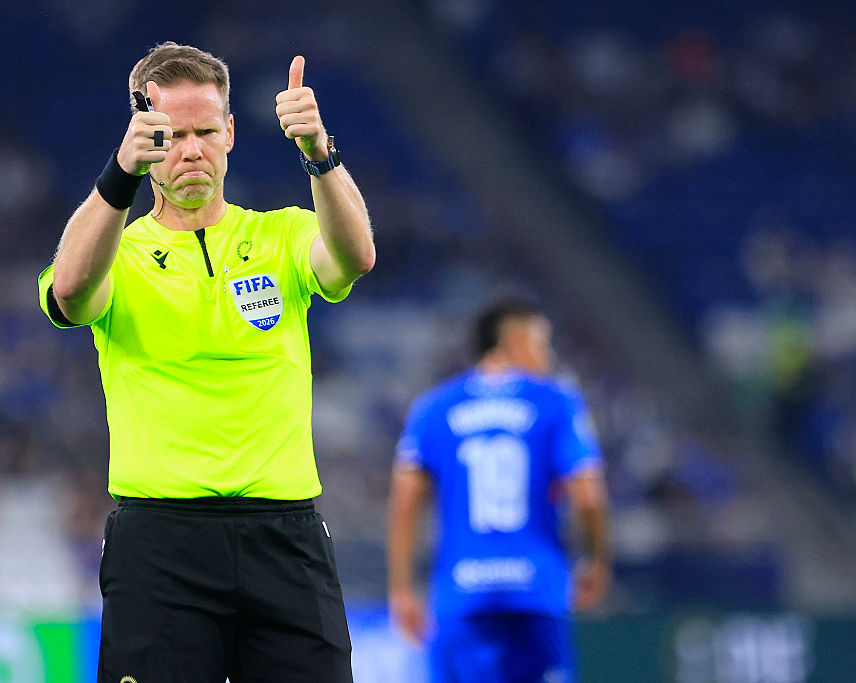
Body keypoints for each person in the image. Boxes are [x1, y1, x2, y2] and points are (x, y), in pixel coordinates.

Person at [37, 42, 374, 683]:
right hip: (160, 543)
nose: (191, 149)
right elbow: (71, 293)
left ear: (231, 133)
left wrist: (320, 154)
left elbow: (354, 257)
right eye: (172, 134)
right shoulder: (120, 253)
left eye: (205, 131)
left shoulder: (283, 234)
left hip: (286, 536)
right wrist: (119, 176)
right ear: (144, 136)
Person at [387, 297, 610, 683]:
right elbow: (589, 497)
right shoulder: (558, 403)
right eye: (543, 343)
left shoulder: (433, 408)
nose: (548, 356)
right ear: (515, 341)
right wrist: (596, 559)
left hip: (461, 593)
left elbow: (405, 502)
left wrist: (402, 587)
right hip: (536, 591)